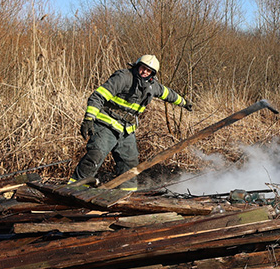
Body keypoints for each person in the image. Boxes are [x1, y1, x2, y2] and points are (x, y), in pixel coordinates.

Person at [69, 55, 193, 190]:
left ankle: (126, 194)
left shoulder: (152, 86)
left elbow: (168, 94)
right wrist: (89, 118)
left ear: (152, 74)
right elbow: (98, 96)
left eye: (149, 70)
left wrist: (184, 102)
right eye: (143, 68)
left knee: (130, 165)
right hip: (106, 124)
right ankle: (74, 189)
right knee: (95, 155)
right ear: (137, 66)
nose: (145, 72)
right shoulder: (123, 77)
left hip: (126, 130)